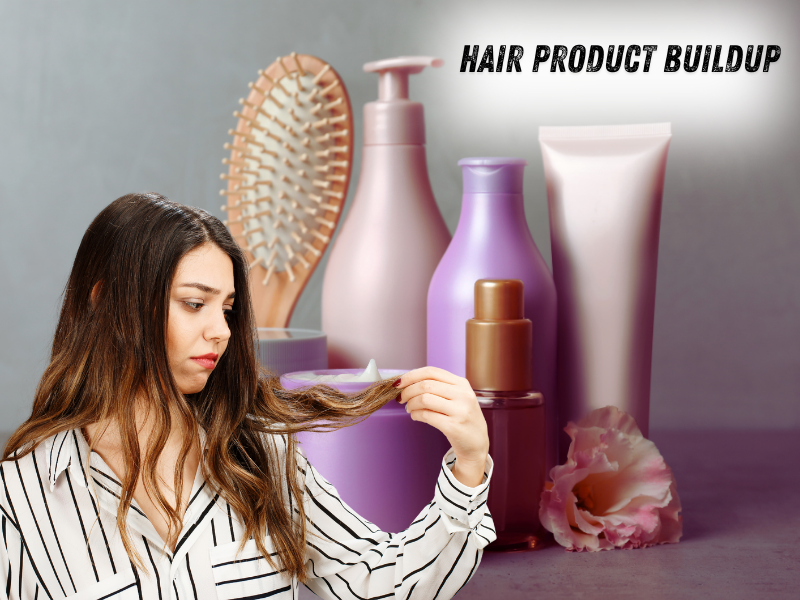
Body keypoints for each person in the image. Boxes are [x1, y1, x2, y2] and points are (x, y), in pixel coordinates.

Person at [0, 193, 494, 600]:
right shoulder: (21, 496)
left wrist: (469, 468)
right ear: (105, 301)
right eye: (194, 304)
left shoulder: (262, 457)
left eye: (229, 309)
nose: (221, 331)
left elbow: (382, 585)